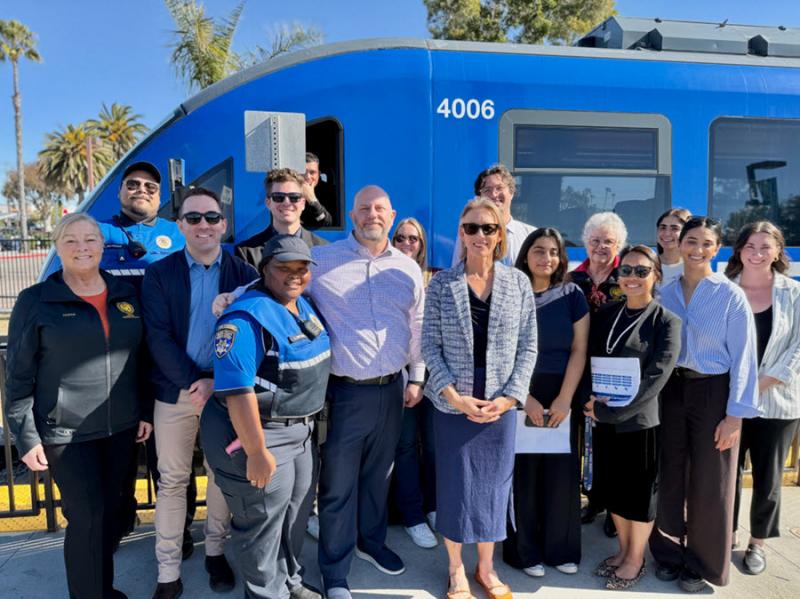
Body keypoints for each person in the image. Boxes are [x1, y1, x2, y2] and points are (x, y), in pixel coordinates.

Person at [212, 186, 425, 599]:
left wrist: (416, 377)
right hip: (345, 393)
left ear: (393, 214)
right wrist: (231, 297)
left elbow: (416, 325)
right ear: (351, 214)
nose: (372, 215)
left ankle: (372, 542)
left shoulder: (407, 268)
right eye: (364, 209)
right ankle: (336, 569)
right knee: (339, 485)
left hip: (393, 390)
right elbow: (272, 286)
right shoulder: (323, 260)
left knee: (379, 476)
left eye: (380, 208)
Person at [4, 213, 152, 599]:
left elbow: (141, 359)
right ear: (57, 247)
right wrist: (27, 437)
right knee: (86, 519)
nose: (82, 247)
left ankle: (102, 589)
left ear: (103, 247)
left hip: (121, 427)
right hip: (65, 432)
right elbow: (18, 375)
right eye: (71, 240)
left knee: (111, 516)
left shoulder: (125, 293)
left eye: (90, 239)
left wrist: (145, 413)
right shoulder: (36, 300)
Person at [141, 188, 257, 598]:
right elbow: (157, 337)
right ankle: (168, 572)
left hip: (225, 395)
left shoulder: (244, 273)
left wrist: (216, 384)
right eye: (194, 218)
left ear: (224, 224)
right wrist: (195, 383)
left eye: (211, 217)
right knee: (173, 482)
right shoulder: (160, 273)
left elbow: (253, 336)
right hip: (175, 394)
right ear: (180, 226)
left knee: (222, 480)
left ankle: (214, 552)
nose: (203, 225)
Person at [202, 235, 330, 599]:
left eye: (301, 268)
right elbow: (238, 392)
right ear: (264, 270)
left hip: (299, 433)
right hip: (257, 436)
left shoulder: (300, 304)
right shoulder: (244, 318)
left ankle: (290, 582)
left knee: (292, 518)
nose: (294, 275)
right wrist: (257, 453)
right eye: (283, 268)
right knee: (260, 529)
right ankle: (264, 593)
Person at [424, 198, 537, 599]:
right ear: (461, 233)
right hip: (453, 401)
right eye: (471, 228)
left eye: (488, 228)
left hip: (499, 405)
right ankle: (456, 569)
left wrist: (509, 399)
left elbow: (528, 347)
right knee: (455, 485)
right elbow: (429, 347)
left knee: (492, 486)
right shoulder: (440, 284)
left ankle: (485, 568)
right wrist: (454, 397)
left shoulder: (518, 283)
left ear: (499, 235)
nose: (480, 236)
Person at [650, 216, 761, 592]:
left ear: (718, 249)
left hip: (714, 392)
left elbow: (745, 358)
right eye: (691, 241)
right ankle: (667, 552)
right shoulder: (664, 291)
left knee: (710, 482)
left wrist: (735, 417)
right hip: (670, 391)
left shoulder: (730, 295)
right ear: (679, 244)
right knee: (669, 473)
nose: (697, 250)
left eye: (707, 243)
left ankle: (703, 563)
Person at [93, 161, 192, 551]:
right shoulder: (97, 233)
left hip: (163, 363)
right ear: (120, 192)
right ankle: (119, 521)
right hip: (113, 367)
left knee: (168, 458)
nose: (142, 190)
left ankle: (178, 532)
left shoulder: (175, 233)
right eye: (132, 184)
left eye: (151, 186)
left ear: (161, 195)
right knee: (117, 454)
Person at [584, 245, 680, 590]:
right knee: (614, 491)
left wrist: (609, 410)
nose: (633, 277)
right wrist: (590, 402)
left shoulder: (666, 321)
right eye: (626, 270)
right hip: (604, 419)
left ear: (656, 275)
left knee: (638, 496)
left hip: (640, 423)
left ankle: (636, 559)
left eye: (641, 271)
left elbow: (656, 379)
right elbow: (586, 360)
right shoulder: (607, 314)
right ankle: (622, 552)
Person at [503, 228, 589, 578]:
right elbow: (502, 351)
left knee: (561, 475)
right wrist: (525, 399)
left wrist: (565, 399)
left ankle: (560, 549)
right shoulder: (511, 293)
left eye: (554, 252)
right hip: (521, 390)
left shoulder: (572, 294)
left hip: (561, 391)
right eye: (539, 250)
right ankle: (523, 553)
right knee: (523, 476)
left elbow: (579, 349)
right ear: (526, 255)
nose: (546, 258)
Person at [726, 221, 800, 576]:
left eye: (765, 247)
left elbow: (798, 349)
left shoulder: (793, 293)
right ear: (739, 250)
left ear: (778, 252)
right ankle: (726, 535)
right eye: (749, 246)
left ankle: (758, 543)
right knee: (726, 474)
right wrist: (736, 392)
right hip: (728, 405)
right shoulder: (724, 290)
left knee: (768, 479)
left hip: (777, 403)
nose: (756, 253)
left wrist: (756, 386)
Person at [570, 211, 628, 537]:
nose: (601, 246)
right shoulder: (573, 280)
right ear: (585, 243)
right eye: (595, 240)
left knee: (612, 439)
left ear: (618, 244)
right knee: (584, 437)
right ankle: (592, 499)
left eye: (608, 240)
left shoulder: (627, 276)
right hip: (580, 370)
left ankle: (612, 505)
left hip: (616, 372)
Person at [390, 218, 438, 549]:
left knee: (435, 446)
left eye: (414, 239)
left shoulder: (435, 280)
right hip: (402, 377)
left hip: (436, 380)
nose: (408, 243)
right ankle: (412, 516)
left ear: (422, 244)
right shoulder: (387, 277)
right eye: (401, 238)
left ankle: (434, 506)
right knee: (405, 446)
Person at [236, 168, 327, 268]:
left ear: (303, 203)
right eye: (278, 197)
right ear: (268, 203)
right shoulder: (247, 252)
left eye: (294, 197)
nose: (287, 202)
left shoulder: (325, 249)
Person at [451, 164, 535, 266]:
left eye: (499, 188)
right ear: (479, 197)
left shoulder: (530, 235)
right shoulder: (469, 233)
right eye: (487, 190)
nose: (494, 195)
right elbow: (456, 269)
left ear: (511, 192)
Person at [656, 208, 691, 288]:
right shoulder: (648, 264)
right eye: (663, 227)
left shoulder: (692, 268)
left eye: (674, 228)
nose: (667, 233)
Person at [301, 152, 334, 229]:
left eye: (312, 172)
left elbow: (328, 223)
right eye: (303, 172)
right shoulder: (288, 192)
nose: (308, 177)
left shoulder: (329, 192)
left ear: (319, 175)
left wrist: (312, 199)